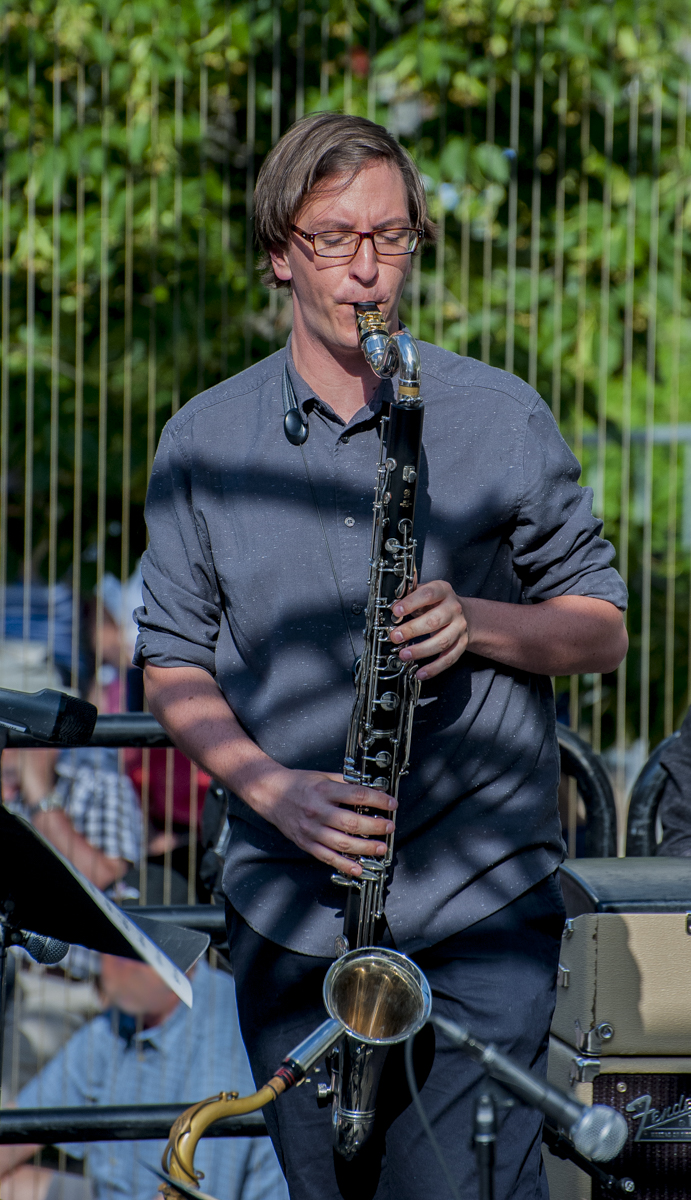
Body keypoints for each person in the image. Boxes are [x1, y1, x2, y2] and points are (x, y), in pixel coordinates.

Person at [133, 112, 629, 1200]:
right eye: (335, 238)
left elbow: (601, 624)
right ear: (278, 251)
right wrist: (277, 792)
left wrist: (482, 623)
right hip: (294, 917)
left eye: (392, 237)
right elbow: (171, 663)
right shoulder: (205, 443)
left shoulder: (497, 417)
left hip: (477, 908)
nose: (368, 269)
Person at [0, 955, 289, 1200]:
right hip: (119, 1192)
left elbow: (193, 1193)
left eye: (116, 950)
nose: (102, 962)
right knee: (12, 1185)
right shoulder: (123, 1017)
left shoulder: (219, 1035)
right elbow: (20, 1128)